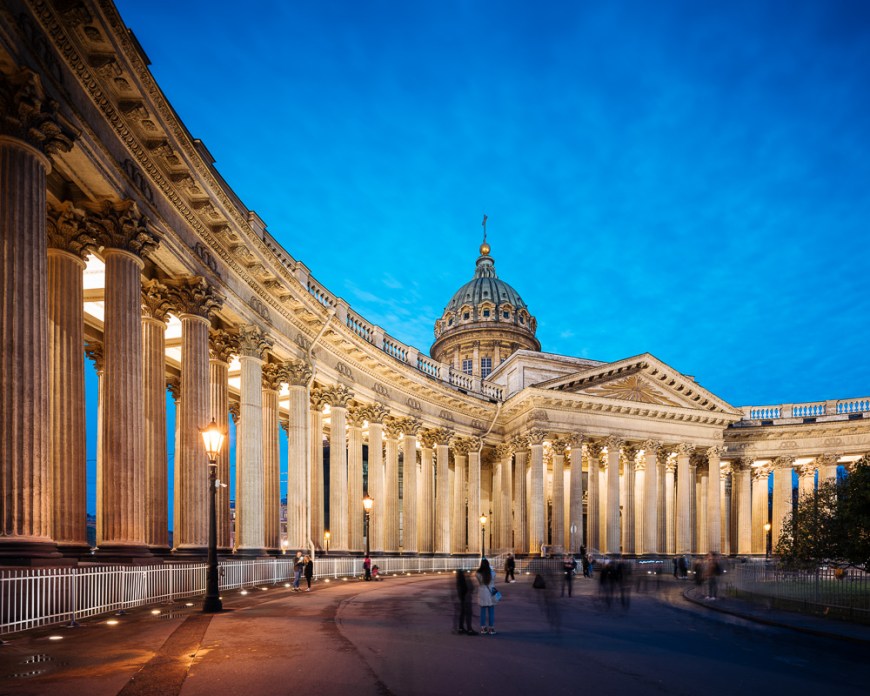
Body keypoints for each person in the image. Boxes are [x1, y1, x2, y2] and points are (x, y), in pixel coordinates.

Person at [476, 558, 497, 635]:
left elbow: (479, 581)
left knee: (483, 611)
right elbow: (494, 580)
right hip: (491, 592)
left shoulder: (478, 573)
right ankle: (491, 628)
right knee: (491, 611)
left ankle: (483, 628)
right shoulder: (493, 573)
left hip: (482, 592)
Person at [455, 570, 474, 635]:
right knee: (468, 613)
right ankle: (469, 629)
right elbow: (471, 588)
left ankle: (461, 628)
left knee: (462, 613)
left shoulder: (458, 581)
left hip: (462, 599)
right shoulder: (466, 580)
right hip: (467, 599)